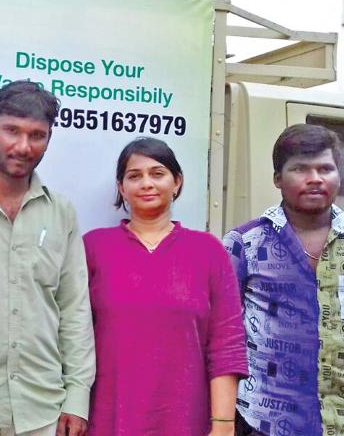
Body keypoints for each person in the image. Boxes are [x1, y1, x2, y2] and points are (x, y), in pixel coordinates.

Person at [0, 80, 95, 436]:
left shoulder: (61, 212)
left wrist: (76, 398)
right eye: (12, 131)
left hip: (42, 410)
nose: (24, 146)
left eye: (37, 135)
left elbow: (74, 310)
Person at [83, 137, 247, 436]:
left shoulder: (208, 250)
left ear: (177, 182)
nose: (146, 183)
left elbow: (226, 343)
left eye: (157, 173)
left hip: (185, 420)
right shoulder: (94, 247)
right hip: (108, 419)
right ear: (121, 188)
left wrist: (223, 425)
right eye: (135, 176)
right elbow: (73, 337)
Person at [224, 124, 344, 436]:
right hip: (264, 420)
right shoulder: (244, 243)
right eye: (300, 169)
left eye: (325, 168)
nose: (315, 178)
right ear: (278, 178)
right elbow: (223, 337)